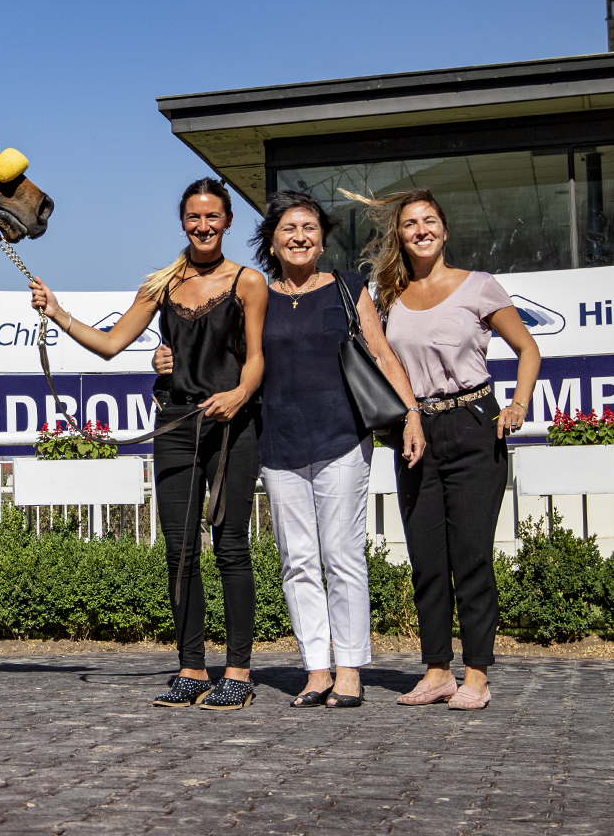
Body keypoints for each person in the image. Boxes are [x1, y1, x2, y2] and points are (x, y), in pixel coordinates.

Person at [157, 192, 424, 709]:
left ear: (322, 239)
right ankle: (316, 669)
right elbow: (214, 351)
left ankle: (349, 670)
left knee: (342, 556)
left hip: (342, 439)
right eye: (288, 229)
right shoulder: (256, 292)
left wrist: (411, 413)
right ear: (272, 241)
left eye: (308, 228)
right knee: (297, 562)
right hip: (277, 443)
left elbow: (382, 353)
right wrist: (164, 357)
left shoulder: (347, 288)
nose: (299, 237)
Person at [30, 177, 268, 709]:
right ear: (182, 222)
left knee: (231, 546)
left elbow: (257, 357)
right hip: (176, 426)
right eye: (193, 217)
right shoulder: (162, 284)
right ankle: (191, 668)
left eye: (212, 216)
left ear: (228, 221)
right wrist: (57, 312)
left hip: (233, 426)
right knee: (180, 552)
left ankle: (238, 671)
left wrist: (239, 394)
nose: (203, 225)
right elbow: (111, 343)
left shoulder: (249, 281)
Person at [349, 186, 541, 710]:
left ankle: (476, 673)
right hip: (416, 433)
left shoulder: (478, 286)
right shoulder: (388, 296)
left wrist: (518, 404)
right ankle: (436, 671)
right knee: (427, 559)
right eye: (410, 223)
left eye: (429, 220)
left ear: (445, 229)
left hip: (474, 425)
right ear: (400, 235)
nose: (421, 230)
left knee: (472, 557)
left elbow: (527, 348)